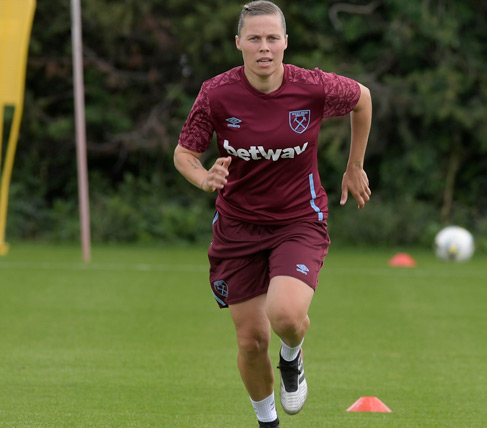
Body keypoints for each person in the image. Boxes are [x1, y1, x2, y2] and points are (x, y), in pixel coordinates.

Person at [173, 1, 372, 426]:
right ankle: (268, 422)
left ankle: (293, 356)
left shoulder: (312, 86)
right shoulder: (216, 93)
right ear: (239, 44)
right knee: (250, 341)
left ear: (285, 43)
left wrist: (354, 166)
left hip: (299, 221)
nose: (264, 47)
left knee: (285, 317)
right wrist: (203, 178)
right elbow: (185, 153)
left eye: (272, 38)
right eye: (254, 38)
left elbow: (363, 99)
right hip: (237, 228)